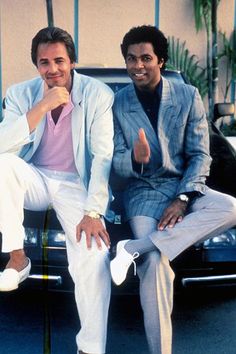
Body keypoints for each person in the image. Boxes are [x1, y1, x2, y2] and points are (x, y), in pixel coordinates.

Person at [110, 25, 236, 354]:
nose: (138, 65)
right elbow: (115, 160)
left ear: (161, 61)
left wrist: (183, 198)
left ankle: (133, 247)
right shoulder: (118, 103)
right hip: (144, 191)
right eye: (131, 59)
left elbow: (200, 154)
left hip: (184, 187)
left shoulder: (187, 95)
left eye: (146, 58)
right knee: (154, 265)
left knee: (231, 207)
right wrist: (135, 161)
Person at [0, 27, 114, 354]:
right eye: (44, 62)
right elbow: (2, 146)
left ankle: (91, 348)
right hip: (34, 176)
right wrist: (42, 106)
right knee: (3, 164)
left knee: (93, 258)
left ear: (73, 61)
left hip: (76, 184)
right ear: (36, 66)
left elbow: (103, 156)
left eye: (60, 61)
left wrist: (94, 212)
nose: (53, 70)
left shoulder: (98, 95)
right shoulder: (20, 93)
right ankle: (17, 258)